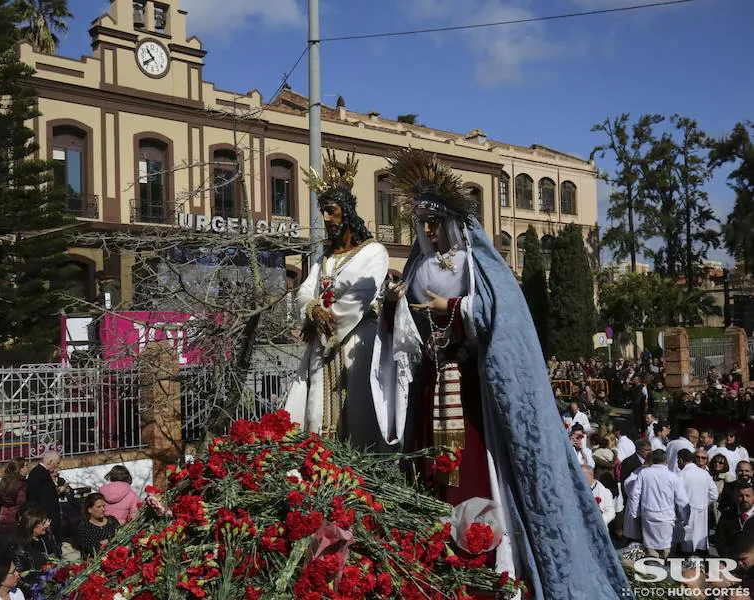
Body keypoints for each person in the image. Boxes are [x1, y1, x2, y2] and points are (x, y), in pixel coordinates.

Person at [370, 148, 628, 598]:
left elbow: (499, 314)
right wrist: (393, 307)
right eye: (423, 222)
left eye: (436, 220)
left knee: (472, 466)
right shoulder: (415, 266)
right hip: (430, 385)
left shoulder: (478, 263)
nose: (429, 229)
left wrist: (448, 305)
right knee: (428, 465)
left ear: (452, 219)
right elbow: (404, 334)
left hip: (471, 387)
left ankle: (484, 552)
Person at [285, 149, 390, 450]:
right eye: (323, 212)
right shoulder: (325, 259)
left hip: (357, 342)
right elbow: (304, 291)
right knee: (317, 411)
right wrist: (313, 308)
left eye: (332, 210)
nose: (327, 218)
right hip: (322, 345)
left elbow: (359, 295)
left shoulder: (374, 252)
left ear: (347, 211)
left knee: (357, 414)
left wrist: (326, 319)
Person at [627, 449, 690, 558]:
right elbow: (682, 500)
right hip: (667, 518)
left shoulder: (644, 473)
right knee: (667, 549)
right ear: (667, 460)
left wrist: (635, 514)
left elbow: (634, 495)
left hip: (648, 516)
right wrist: (685, 518)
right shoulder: (672, 476)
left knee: (651, 549)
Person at [676, 449, 718, 556]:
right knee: (699, 544)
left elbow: (676, 496)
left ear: (680, 460)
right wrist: (703, 503)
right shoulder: (705, 474)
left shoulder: (681, 475)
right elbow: (714, 494)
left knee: (685, 547)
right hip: (701, 513)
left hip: (684, 514)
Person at [11, 507, 59, 596]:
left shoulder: (45, 539)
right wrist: (41, 588)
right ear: (32, 525)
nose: (47, 525)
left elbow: (57, 557)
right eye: (43, 523)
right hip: (37, 592)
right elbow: (20, 579)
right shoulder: (21, 548)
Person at [25, 451, 62, 545]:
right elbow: (36, 498)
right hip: (45, 518)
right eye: (56, 463)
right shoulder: (39, 474)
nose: (57, 466)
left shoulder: (41, 473)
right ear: (50, 462)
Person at [75, 493, 120, 559]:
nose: (103, 509)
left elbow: (121, 537)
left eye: (103, 506)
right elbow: (96, 549)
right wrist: (113, 540)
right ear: (90, 509)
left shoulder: (112, 521)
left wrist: (105, 542)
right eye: (99, 507)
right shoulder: (84, 527)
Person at [716, 483, 754, 560]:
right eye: (741, 496)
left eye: (748, 496)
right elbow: (720, 540)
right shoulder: (726, 516)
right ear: (735, 498)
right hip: (731, 562)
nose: (744, 499)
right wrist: (729, 559)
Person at [0, 459, 29, 541]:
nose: (28, 468)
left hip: (2, 515)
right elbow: (21, 503)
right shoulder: (21, 483)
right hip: (15, 518)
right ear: (20, 468)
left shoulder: (5, 480)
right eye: (26, 465)